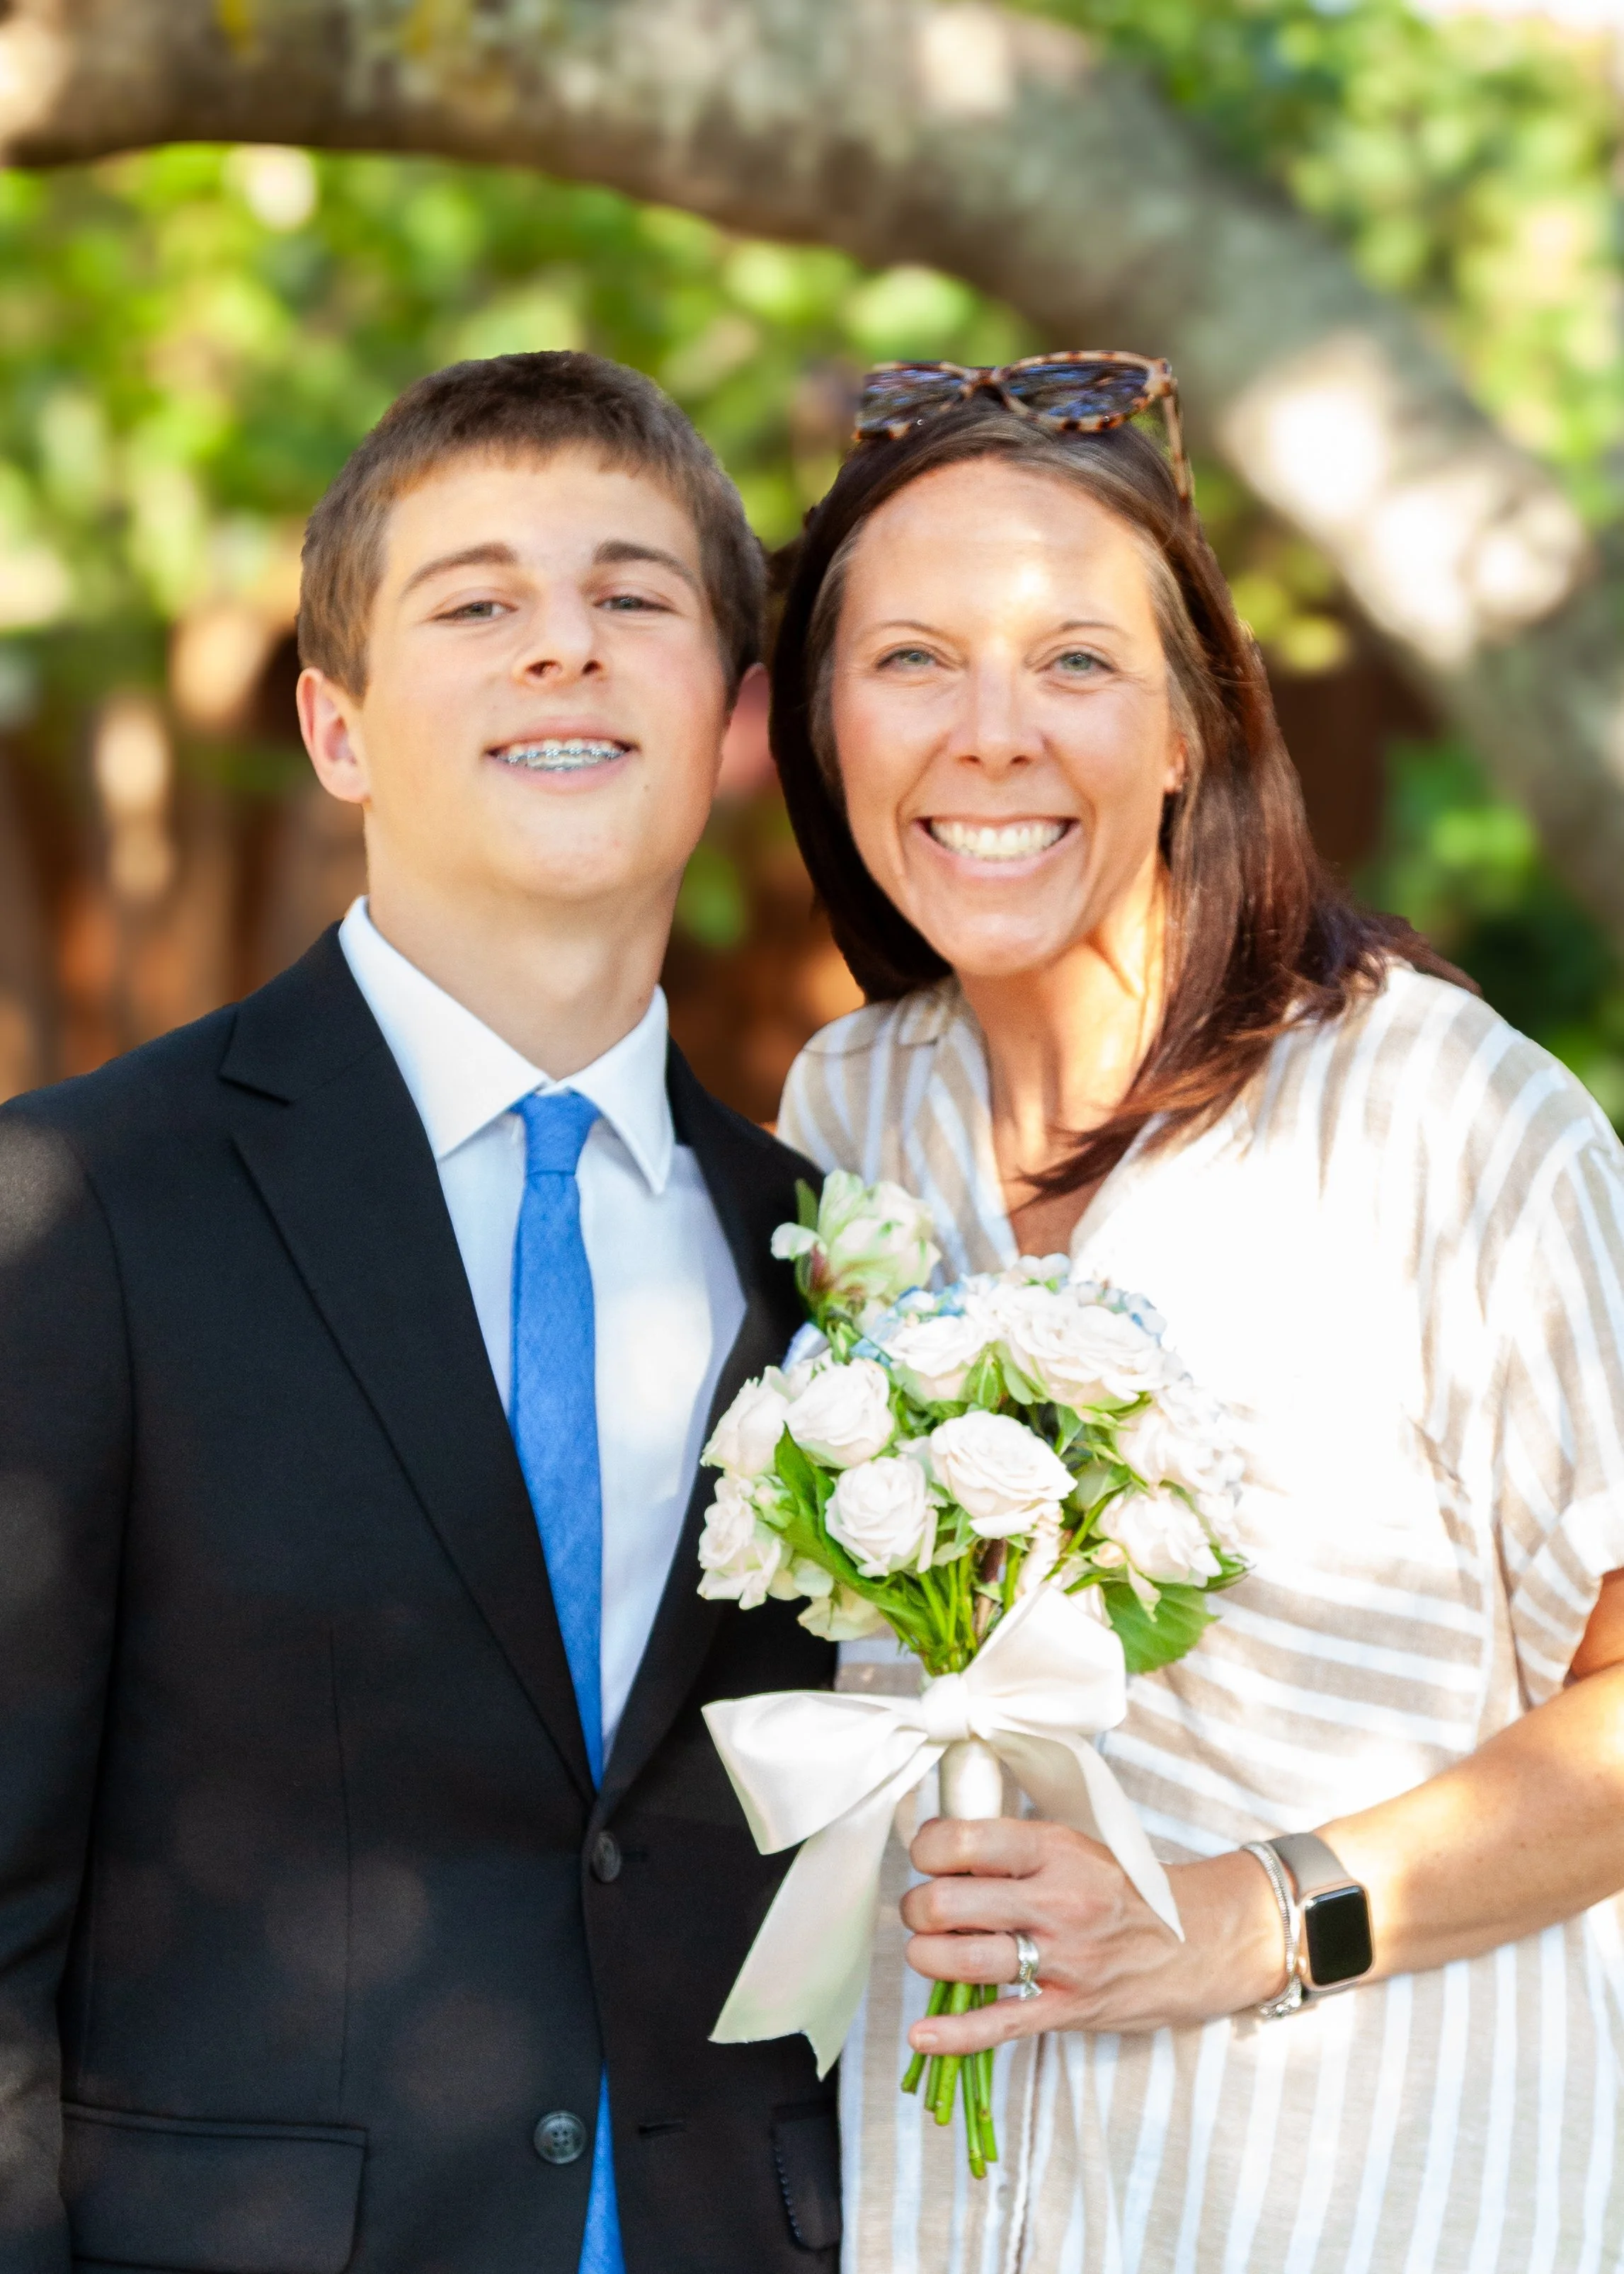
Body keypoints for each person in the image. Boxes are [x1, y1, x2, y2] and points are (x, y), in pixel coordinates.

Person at [770, 359, 1624, 2271]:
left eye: (1073, 661)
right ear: (823, 724)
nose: (991, 736)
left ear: (1189, 731)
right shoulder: (847, 1115)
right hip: (941, 2204)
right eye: (910, 658)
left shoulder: (1440, 1118)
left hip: (1391, 2210)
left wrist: (1258, 1911)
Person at [0, 351, 841, 2274]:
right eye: (476, 604)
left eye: (633, 598)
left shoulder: (824, 1255)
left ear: (726, 710)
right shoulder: (75, 1209)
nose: (564, 650)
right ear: (338, 725)